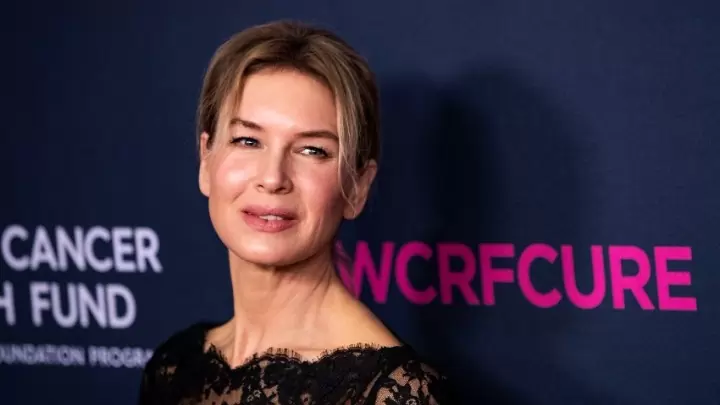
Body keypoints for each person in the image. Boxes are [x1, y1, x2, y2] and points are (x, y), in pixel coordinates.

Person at [138, 20, 451, 405]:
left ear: (357, 187)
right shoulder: (175, 366)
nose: (273, 178)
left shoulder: (393, 393)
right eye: (247, 140)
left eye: (312, 150)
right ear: (206, 159)